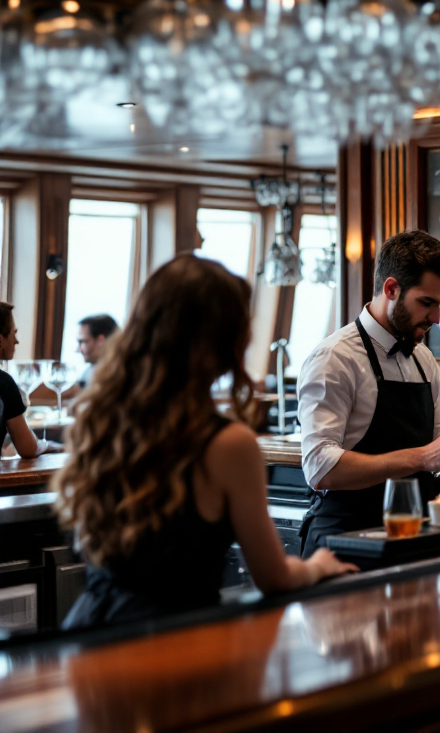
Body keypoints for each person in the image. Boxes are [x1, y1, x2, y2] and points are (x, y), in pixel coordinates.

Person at [54, 256, 357, 629]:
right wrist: (317, 566)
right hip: (171, 642)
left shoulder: (102, 422)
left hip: (90, 631)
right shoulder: (229, 444)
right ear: (225, 342)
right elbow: (274, 577)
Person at [297, 230, 440, 557]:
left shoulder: (423, 358)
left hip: (410, 537)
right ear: (391, 289)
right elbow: (319, 467)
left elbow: (439, 437)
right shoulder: (335, 358)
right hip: (345, 542)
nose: (436, 319)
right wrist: (423, 458)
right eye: (427, 303)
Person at [0, 302, 58, 457]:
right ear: (0, 339)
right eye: (13, 333)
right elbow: (29, 448)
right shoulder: (4, 383)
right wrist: (48, 445)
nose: (16, 341)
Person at [76, 314, 118, 388]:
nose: (78, 349)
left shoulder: (119, 376)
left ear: (100, 340)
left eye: (82, 342)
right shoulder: (88, 372)